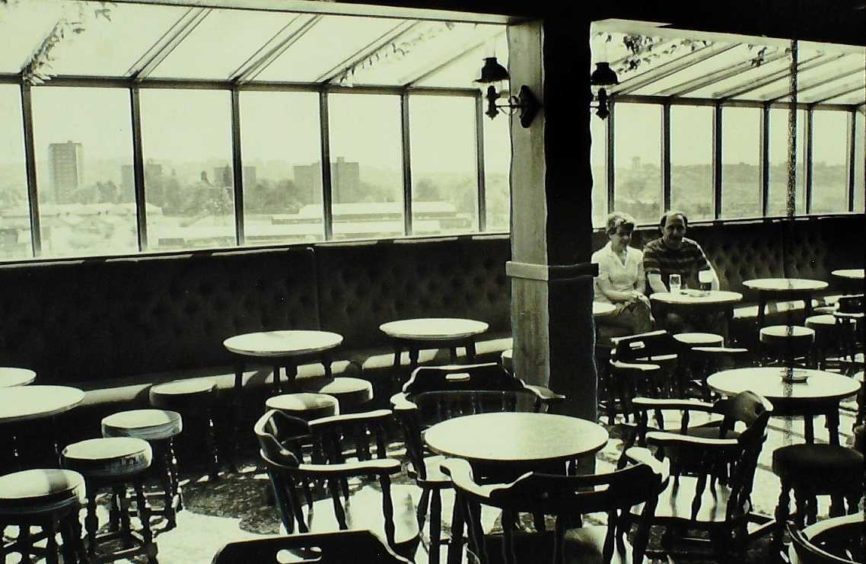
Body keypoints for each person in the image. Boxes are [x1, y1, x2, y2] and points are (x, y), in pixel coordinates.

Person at [643, 210, 721, 331]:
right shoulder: (652, 249)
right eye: (670, 228)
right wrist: (674, 304)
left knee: (718, 314)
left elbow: (708, 272)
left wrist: (713, 298)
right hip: (660, 302)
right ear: (662, 229)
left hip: (685, 299)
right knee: (676, 319)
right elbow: (655, 283)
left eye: (680, 228)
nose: (675, 232)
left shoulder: (692, 246)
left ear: (685, 229)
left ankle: (715, 348)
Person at [592, 212, 653, 335]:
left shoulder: (637, 255)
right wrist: (629, 298)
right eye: (621, 234)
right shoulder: (599, 257)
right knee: (644, 319)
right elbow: (607, 291)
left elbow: (641, 286)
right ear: (610, 234)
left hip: (631, 303)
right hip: (607, 305)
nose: (626, 238)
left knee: (642, 309)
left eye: (628, 234)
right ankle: (643, 352)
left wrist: (629, 300)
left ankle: (640, 350)